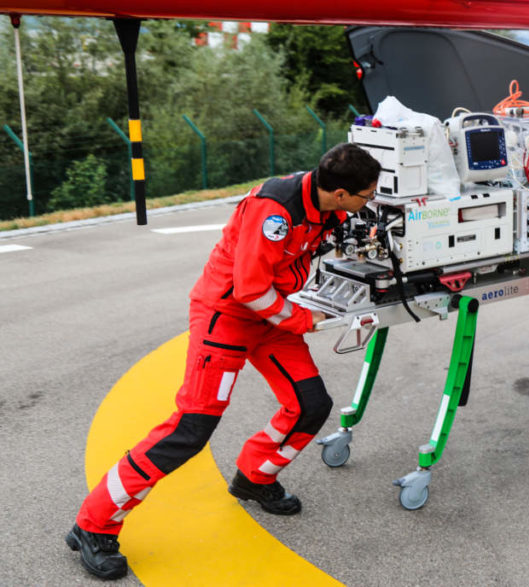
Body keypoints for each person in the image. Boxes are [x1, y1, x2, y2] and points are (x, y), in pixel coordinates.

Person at [66, 143, 381, 580]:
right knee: (189, 430)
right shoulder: (275, 210)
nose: (372, 200)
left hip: (271, 315)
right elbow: (250, 290)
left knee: (311, 404)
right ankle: (93, 524)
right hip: (228, 316)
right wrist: (305, 319)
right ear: (341, 193)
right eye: (368, 194)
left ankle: (255, 475)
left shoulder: (331, 205)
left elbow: (326, 247)